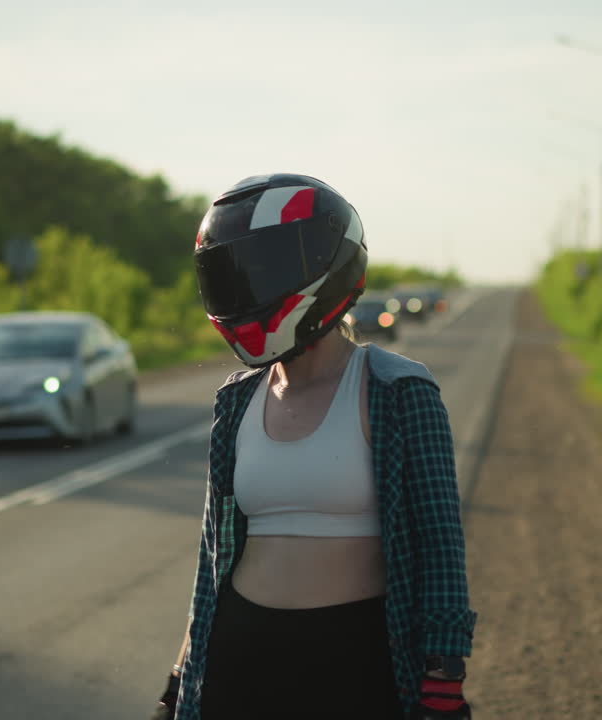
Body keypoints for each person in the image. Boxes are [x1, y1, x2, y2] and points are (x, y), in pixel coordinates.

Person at [150, 173, 476, 720]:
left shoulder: (398, 390)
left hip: (355, 659)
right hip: (239, 657)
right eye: (233, 275)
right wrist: (180, 678)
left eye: (265, 270)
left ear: (327, 268)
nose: (247, 290)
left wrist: (443, 681)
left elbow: (440, 546)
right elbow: (213, 561)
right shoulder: (235, 402)